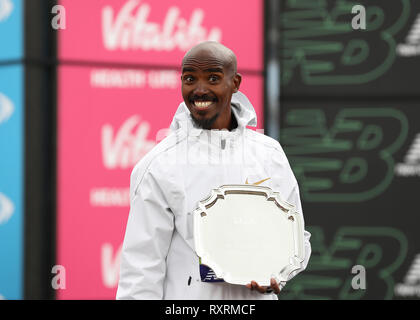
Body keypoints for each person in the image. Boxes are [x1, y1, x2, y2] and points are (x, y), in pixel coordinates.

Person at [116, 41, 311, 300]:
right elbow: (141, 271)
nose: (200, 89)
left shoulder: (269, 155)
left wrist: (279, 273)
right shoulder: (159, 165)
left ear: (235, 83)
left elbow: (296, 238)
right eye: (189, 78)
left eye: (213, 78)